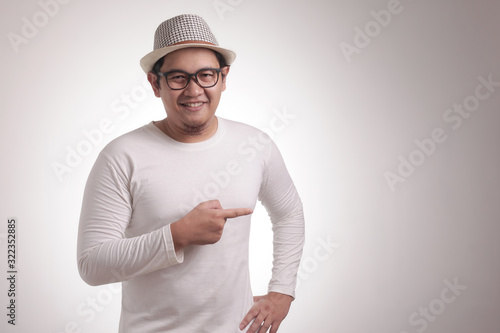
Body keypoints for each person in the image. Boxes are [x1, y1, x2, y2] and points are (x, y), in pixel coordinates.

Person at [77, 14, 305, 333]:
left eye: (206, 75)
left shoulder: (255, 146)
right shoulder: (121, 156)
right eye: (178, 77)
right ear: (156, 84)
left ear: (223, 78)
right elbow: (92, 264)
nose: (194, 90)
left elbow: (289, 213)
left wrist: (282, 291)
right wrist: (177, 235)